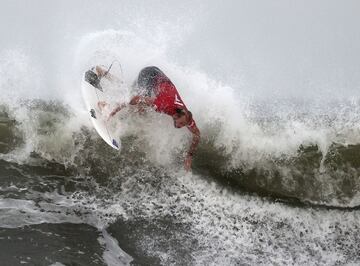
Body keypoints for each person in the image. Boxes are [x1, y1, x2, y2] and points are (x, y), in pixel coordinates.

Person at [95, 66, 200, 171]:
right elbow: (136, 99)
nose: (180, 126)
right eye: (181, 123)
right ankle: (106, 106)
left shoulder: (186, 116)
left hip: (159, 78)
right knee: (137, 106)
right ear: (177, 115)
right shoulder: (164, 105)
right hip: (149, 74)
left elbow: (197, 134)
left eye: (183, 125)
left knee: (133, 96)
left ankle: (104, 73)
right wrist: (114, 111)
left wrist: (189, 156)